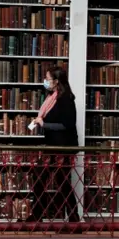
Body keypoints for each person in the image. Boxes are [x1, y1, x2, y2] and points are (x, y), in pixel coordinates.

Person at [28, 66, 79, 222]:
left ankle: (73, 218)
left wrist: (44, 124)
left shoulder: (65, 99)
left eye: (48, 79)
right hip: (52, 146)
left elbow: (67, 125)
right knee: (39, 177)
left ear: (56, 81)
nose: (45, 81)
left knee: (62, 183)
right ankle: (37, 214)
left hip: (62, 148)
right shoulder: (52, 97)